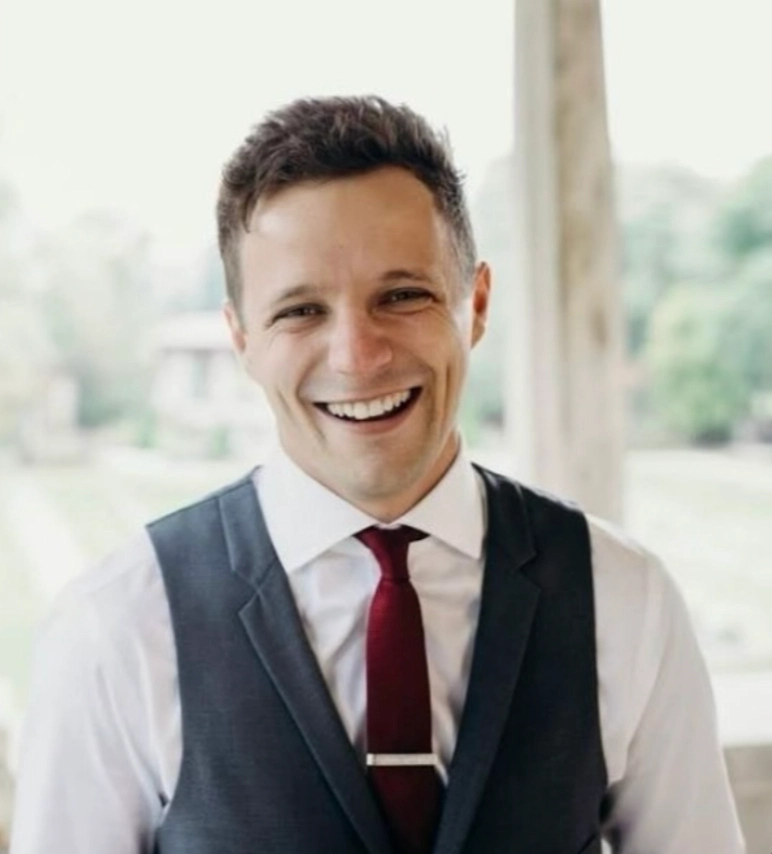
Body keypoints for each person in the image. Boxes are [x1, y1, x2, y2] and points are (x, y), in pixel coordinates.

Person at [11, 96, 744, 854]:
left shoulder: (624, 598)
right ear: (242, 338)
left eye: (402, 296)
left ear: (475, 305)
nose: (357, 356)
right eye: (300, 311)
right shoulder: (117, 627)